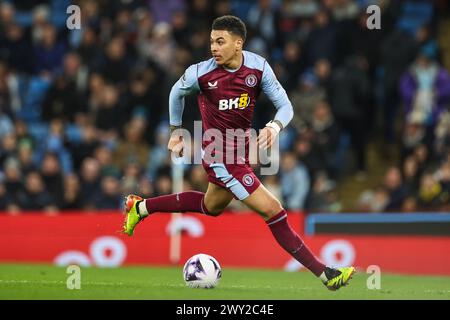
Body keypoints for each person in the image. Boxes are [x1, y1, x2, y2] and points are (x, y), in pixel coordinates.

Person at [122, 15, 354, 290]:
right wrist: (175, 130)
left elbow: (286, 107)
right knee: (274, 210)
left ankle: (141, 207)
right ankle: (326, 274)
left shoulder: (258, 68)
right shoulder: (201, 72)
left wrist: (274, 127)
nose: (214, 48)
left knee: (211, 206)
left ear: (238, 43)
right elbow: (176, 93)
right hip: (219, 153)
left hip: (241, 151)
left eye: (220, 42)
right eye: (211, 42)